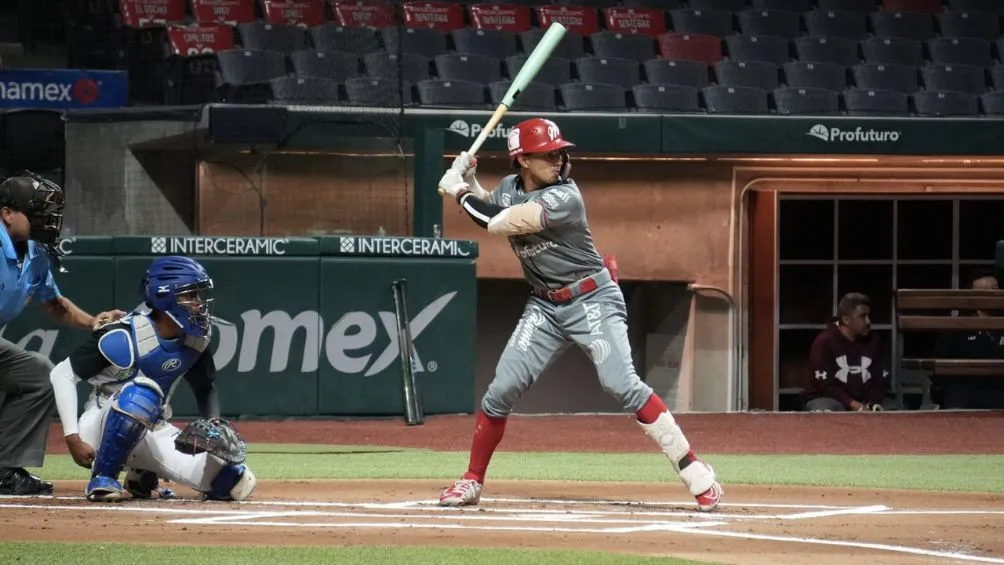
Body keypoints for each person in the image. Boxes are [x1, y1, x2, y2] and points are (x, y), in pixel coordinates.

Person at [434, 118, 722, 511]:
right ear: (522, 160)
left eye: (559, 152)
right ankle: (472, 480)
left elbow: (498, 222)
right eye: (547, 154)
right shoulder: (508, 188)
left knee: (622, 384)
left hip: (592, 299)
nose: (558, 159)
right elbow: (495, 203)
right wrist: (471, 181)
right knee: (500, 391)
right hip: (545, 306)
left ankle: (694, 470)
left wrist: (459, 191)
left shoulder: (564, 197)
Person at [48, 255, 257, 502]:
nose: (198, 303)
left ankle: (142, 474)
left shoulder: (196, 338)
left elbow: (205, 387)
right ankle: (103, 477)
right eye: (190, 295)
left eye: (198, 295)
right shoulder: (123, 335)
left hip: (153, 426)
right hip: (99, 427)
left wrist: (213, 426)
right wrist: (72, 438)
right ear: (164, 297)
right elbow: (62, 374)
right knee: (142, 393)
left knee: (234, 481)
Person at [0, 172, 125, 496]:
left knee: (38, 374)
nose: (47, 221)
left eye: (49, 214)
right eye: (37, 213)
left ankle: (4, 471)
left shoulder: (36, 253)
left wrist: (94, 322)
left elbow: (55, 305)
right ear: (7, 214)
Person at [803, 292, 891, 412]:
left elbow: (881, 380)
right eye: (862, 316)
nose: (868, 321)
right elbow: (824, 386)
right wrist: (854, 405)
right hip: (828, 399)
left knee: (891, 407)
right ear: (846, 319)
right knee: (828, 408)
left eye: (868, 316)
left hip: (864, 401)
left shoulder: (874, 342)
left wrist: (871, 403)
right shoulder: (824, 342)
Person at [930, 272, 1004, 410]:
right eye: (984, 290)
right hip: (964, 389)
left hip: (999, 389)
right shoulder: (957, 326)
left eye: (994, 288)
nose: (991, 294)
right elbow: (938, 361)